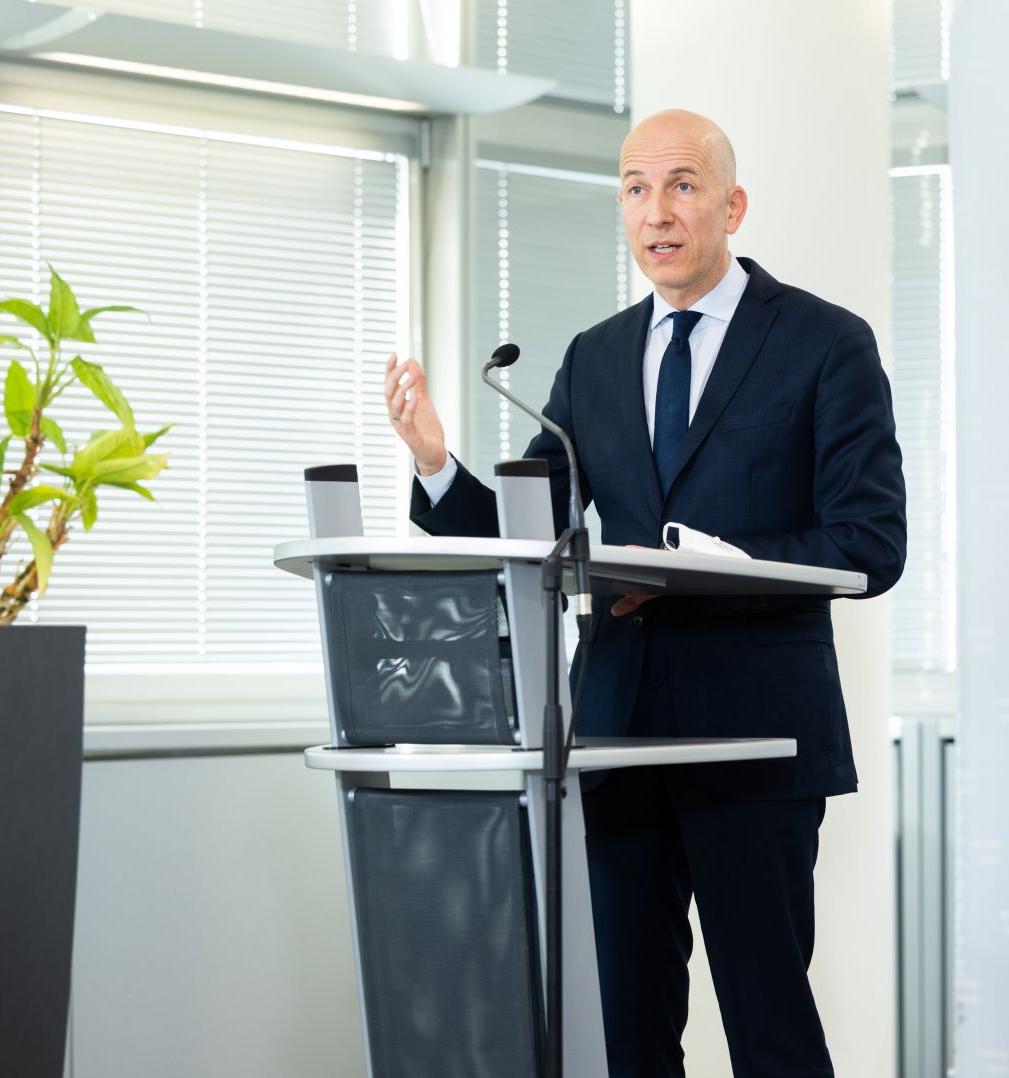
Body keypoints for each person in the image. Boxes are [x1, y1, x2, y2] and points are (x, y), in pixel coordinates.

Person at [380, 108, 906, 1078]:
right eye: (633, 188)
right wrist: (437, 467)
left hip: (755, 743)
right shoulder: (594, 355)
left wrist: (707, 560)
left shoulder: (824, 345)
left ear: (731, 204)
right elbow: (529, 530)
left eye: (680, 185)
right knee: (625, 1031)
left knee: (769, 1030)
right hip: (617, 738)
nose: (654, 211)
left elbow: (870, 542)